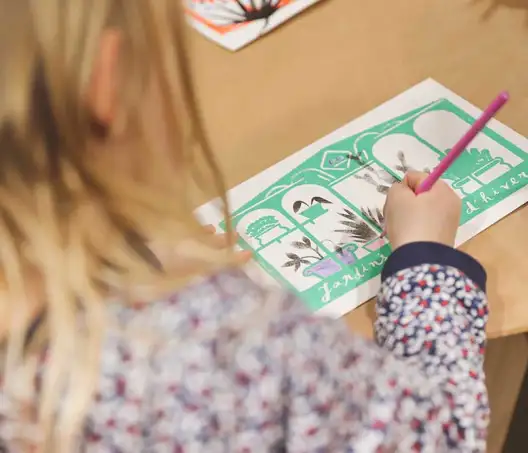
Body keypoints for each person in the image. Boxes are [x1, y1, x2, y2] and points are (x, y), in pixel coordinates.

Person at [0, 1, 488, 452]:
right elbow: (443, 435)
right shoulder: (208, 343)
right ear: (109, 80)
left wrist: (140, 251)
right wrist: (424, 259)